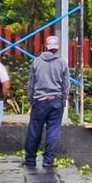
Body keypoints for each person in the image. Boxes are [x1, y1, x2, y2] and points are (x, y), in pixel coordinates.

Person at [24, 34, 70, 168]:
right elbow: (66, 85)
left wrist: (31, 99)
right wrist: (63, 100)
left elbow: (31, 83)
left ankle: (30, 159)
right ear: (57, 48)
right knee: (53, 131)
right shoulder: (62, 63)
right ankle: (48, 160)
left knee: (34, 130)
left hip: (39, 101)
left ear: (46, 46)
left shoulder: (36, 62)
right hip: (55, 101)